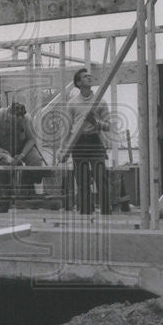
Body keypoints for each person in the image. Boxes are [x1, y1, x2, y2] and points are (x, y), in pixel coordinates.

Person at [0, 101, 43, 213]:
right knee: (3, 167)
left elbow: (32, 139)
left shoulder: (26, 118)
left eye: (17, 122)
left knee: (36, 161)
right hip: (3, 148)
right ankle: (3, 199)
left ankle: (27, 193)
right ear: (8, 114)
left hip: (23, 147)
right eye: (12, 122)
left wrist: (22, 155)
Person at [66, 68, 111, 215]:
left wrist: (96, 122)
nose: (89, 77)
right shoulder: (72, 104)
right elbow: (67, 129)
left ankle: (105, 211)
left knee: (101, 176)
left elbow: (108, 126)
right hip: (78, 143)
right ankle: (86, 212)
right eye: (85, 76)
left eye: (90, 76)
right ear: (78, 83)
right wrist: (64, 149)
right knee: (82, 179)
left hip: (95, 141)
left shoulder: (100, 101)